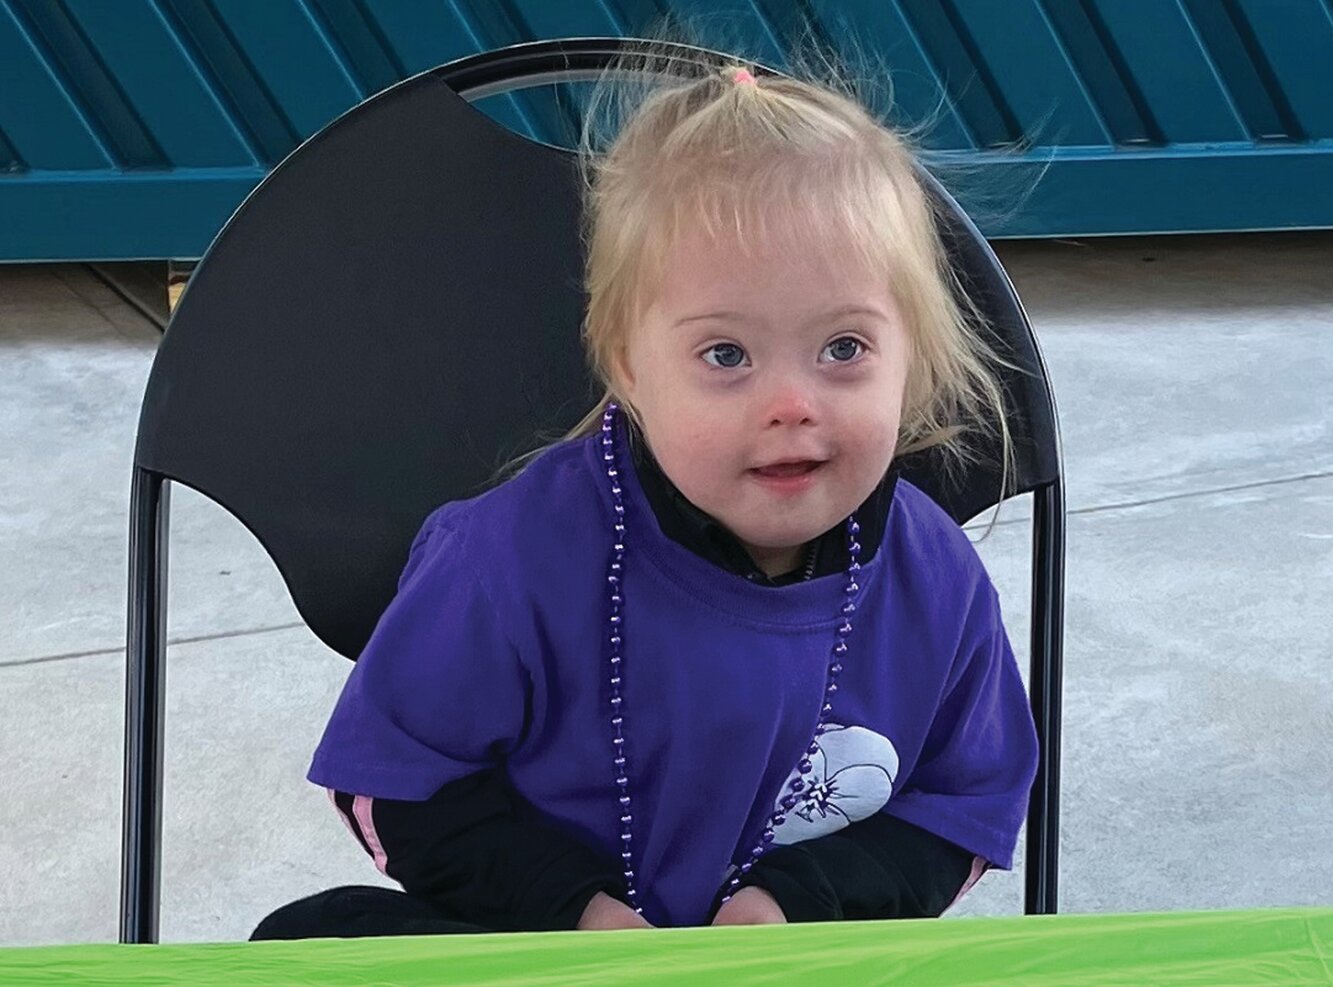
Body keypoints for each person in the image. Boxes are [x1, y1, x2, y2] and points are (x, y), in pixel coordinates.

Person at [252, 56, 1038, 940]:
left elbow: (965, 803)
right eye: (727, 355)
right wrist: (578, 914)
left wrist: (795, 904)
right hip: (546, 949)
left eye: (845, 347)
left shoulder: (938, 585)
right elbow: (397, 780)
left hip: (796, 958)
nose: (793, 404)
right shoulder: (508, 562)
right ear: (628, 365)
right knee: (312, 938)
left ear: (913, 358)